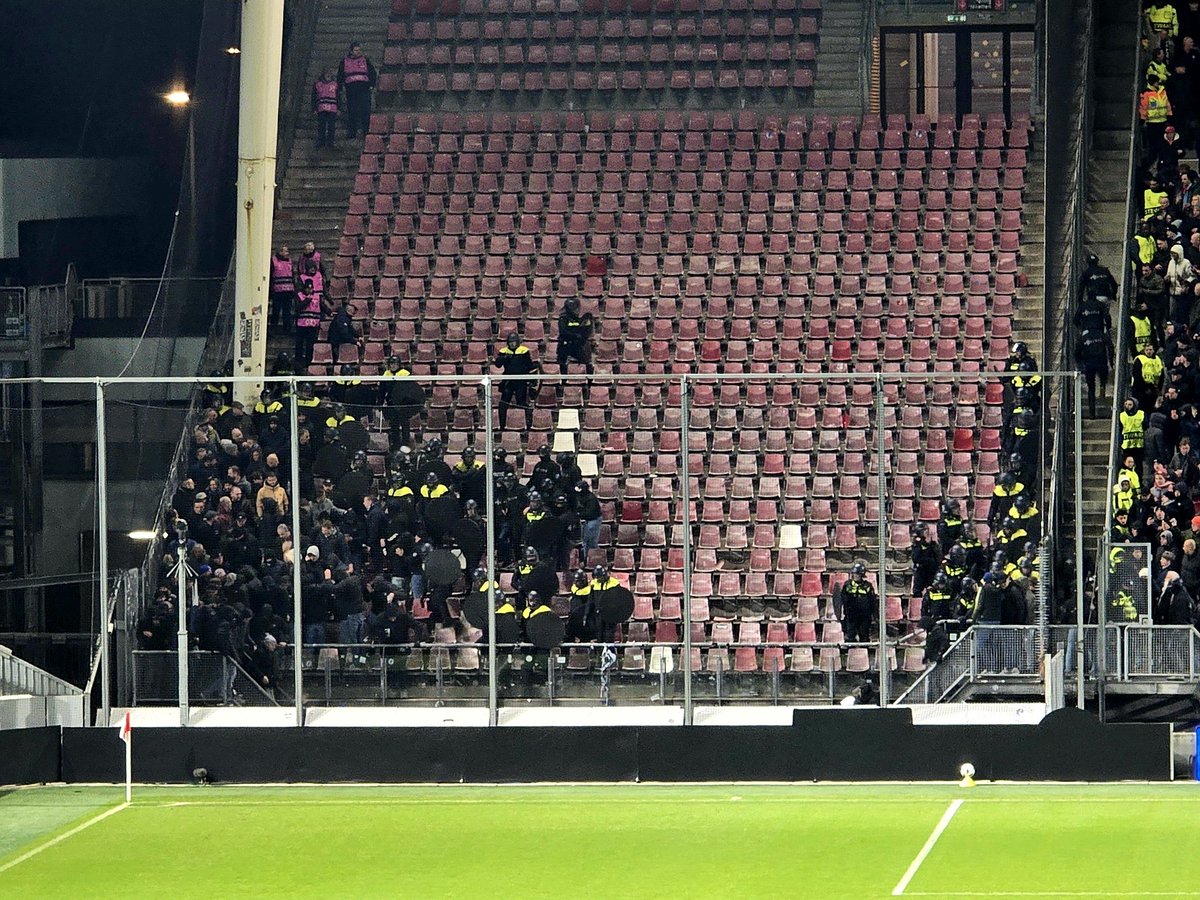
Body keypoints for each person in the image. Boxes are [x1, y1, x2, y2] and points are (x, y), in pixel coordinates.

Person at [493, 333, 537, 429]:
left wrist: (532, 380)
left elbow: (530, 366)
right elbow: (497, 364)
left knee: (521, 403)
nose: (512, 344)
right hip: (508, 381)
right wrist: (504, 358)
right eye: (511, 342)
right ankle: (502, 425)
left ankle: (528, 425)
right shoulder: (504, 351)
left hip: (521, 382)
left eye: (514, 342)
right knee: (503, 403)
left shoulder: (524, 351)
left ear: (518, 342)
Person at [338, 41, 377, 141]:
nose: (358, 52)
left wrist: (371, 85)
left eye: (359, 50)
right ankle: (352, 133)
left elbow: (372, 73)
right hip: (351, 91)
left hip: (364, 90)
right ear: (351, 51)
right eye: (356, 50)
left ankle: (366, 132)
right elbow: (340, 76)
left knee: (365, 111)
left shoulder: (365, 60)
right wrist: (340, 88)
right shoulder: (344, 62)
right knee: (352, 112)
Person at [836, 561, 877, 644]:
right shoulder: (847, 585)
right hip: (851, 616)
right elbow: (842, 600)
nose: (856, 576)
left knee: (864, 636)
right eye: (855, 574)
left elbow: (872, 601)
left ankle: (864, 653)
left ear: (862, 575)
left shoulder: (868, 586)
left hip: (864, 616)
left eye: (858, 574)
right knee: (850, 636)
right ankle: (850, 653)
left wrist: (874, 615)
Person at [294, 263, 324, 369]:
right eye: (307, 289)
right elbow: (297, 308)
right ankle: (298, 362)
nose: (309, 290)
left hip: (313, 326)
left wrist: (330, 312)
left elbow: (322, 306)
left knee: (310, 346)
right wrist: (307, 300)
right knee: (299, 345)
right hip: (301, 325)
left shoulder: (317, 296)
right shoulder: (300, 296)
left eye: (311, 289)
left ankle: (308, 363)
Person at [556, 297, 594, 376]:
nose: (577, 311)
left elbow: (585, 331)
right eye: (575, 309)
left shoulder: (580, 319)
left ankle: (590, 382)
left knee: (587, 363)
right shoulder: (563, 318)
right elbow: (563, 332)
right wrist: (576, 335)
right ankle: (563, 381)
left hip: (577, 345)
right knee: (562, 363)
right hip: (565, 345)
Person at [1140, 74, 1173, 160]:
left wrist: (1169, 114)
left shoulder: (1162, 91)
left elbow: (1167, 103)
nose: (1158, 83)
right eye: (1156, 82)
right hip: (1152, 122)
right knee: (1153, 143)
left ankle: (1161, 157)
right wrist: (1143, 119)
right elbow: (1143, 107)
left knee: (1163, 142)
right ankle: (1154, 158)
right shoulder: (1146, 93)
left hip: (1163, 120)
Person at [270, 246, 295, 332]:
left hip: (288, 290)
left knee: (287, 311)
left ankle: (287, 329)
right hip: (278, 290)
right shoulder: (273, 261)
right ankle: (273, 328)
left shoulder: (290, 261)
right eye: (286, 251)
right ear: (280, 252)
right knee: (276, 310)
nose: (287, 253)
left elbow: (292, 275)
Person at [312, 68, 339, 149]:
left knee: (331, 126)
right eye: (327, 72)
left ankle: (330, 142)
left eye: (330, 72)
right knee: (321, 126)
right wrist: (314, 108)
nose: (328, 74)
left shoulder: (335, 84)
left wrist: (339, 108)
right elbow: (313, 97)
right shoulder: (318, 84)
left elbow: (338, 96)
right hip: (321, 108)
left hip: (332, 108)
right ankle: (321, 141)